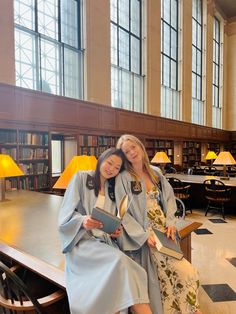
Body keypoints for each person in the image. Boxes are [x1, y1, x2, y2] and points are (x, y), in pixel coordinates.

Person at [58, 148, 152, 314]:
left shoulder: (112, 189)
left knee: (135, 271)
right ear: (101, 159)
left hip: (104, 244)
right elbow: (65, 214)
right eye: (110, 163)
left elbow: (110, 220)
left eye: (117, 168)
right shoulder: (81, 177)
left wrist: (113, 231)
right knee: (121, 263)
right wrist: (82, 220)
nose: (111, 169)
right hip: (82, 244)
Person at [116, 135, 202, 314]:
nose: (132, 152)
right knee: (166, 277)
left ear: (140, 147)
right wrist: (143, 235)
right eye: (126, 151)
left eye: (133, 147)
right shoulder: (123, 178)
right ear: (123, 156)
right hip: (147, 235)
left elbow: (169, 199)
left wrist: (171, 222)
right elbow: (123, 213)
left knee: (187, 273)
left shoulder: (155, 172)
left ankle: (186, 309)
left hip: (164, 231)